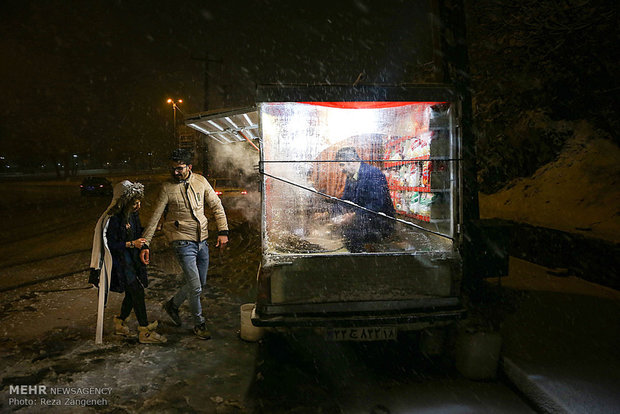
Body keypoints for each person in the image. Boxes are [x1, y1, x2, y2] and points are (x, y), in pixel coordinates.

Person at [141, 148, 229, 340]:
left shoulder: (201, 181)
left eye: (179, 168)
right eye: (173, 168)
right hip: (181, 241)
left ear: (189, 167)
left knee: (199, 283)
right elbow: (155, 216)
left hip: (202, 241)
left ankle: (172, 305)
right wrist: (145, 243)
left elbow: (216, 205)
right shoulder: (167, 188)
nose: (175, 172)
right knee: (195, 286)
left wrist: (223, 231)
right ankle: (199, 324)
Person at [90, 180, 166, 344]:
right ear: (124, 202)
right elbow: (109, 243)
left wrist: (148, 235)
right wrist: (131, 244)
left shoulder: (132, 214)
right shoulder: (113, 219)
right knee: (136, 291)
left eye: (139, 202)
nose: (138, 206)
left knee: (133, 293)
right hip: (120, 263)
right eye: (134, 202)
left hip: (131, 260)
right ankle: (144, 331)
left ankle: (121, 321)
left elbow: (137, 232)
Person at [333, 146, 395, 252]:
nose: (341, 169)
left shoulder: (373, 173)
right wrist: (333, 212)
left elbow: (377, 204)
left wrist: (353, 216)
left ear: (352, 161)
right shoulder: (350, 176)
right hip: (363, 223)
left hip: (379, 226)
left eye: (342, 165)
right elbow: (346, 200)